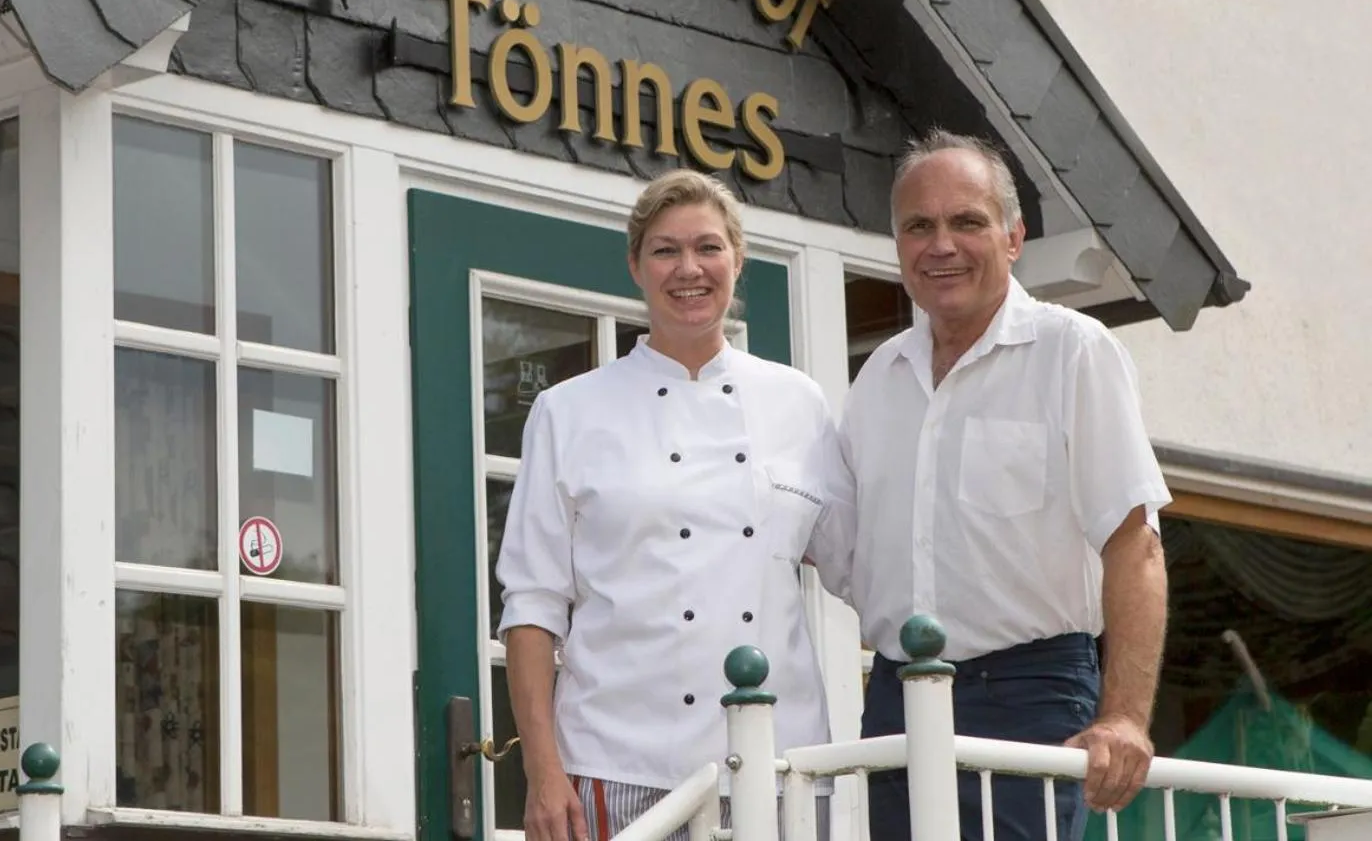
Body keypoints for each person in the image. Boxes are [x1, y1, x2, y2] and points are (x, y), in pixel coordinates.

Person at [824, 130, 1170, 841]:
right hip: (895, 695)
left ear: (1013, 237)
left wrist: (1125, 716)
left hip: (1030, 692)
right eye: (919, 225)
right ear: (897, 245)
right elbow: (841, 544)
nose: (940, 244)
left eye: (967, 221)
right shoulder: (877, 378)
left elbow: (1134, 545)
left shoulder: (1074, 351)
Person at [496, 168, 844, 841]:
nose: (690, 268)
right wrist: (543, 771)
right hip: (615, 764)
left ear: (737, 260)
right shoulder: (568, 411)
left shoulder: (799, 402)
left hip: (777, 769)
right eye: (665, 250)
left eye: (709, 247)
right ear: (635, 265)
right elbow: (533, 607)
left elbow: (859, 561)